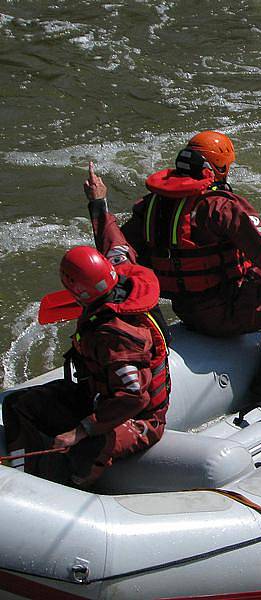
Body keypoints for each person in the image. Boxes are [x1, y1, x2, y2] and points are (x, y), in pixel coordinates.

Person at [101, 130, 261, 409]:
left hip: (189, 312)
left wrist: (98, 207)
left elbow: (119, 253)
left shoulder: (151, 207)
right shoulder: (220, 206)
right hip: (226, 314)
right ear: (218, 168)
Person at [1, 164, 170, 487]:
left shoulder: (114, 336)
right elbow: (112, 241)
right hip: (96, 393)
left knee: (88, 448)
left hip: (140, 419)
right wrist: (98, 202)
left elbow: (133, 398)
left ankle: (66, 490)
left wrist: (81, 430)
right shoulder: (122, 273)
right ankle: (20, 477)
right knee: (17, 404)